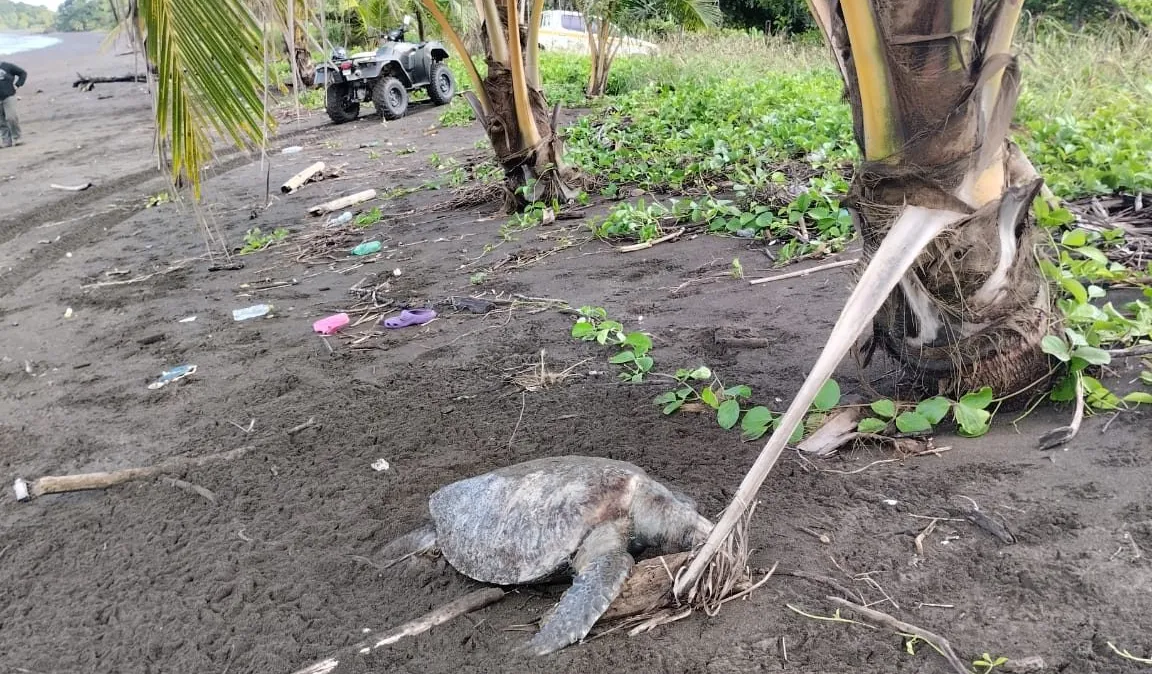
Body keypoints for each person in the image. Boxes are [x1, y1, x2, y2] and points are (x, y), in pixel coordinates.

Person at [0, 60, 28, 148]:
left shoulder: (6, 66)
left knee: (11, 117)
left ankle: (17, 138)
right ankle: (6, 141)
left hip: (9, 96)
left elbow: (22, 73)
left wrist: (17, 85)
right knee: (1, 122)